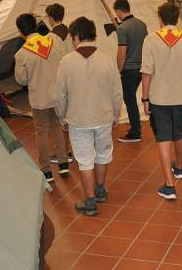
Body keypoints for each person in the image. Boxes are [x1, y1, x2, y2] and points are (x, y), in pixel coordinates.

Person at [54, 17, 122, 216]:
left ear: (75, 36)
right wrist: (116, 114)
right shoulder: (107, 60)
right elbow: (117, 92)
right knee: (103, 155)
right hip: (104, 117)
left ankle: (90, 201)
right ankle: (100, 189)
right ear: (93, 35)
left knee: (85, 160)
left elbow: (60, 95)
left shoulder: (66, 62)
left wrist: (62, 117)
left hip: (78, 119)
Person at [141, 2, 182, 200]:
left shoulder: (150, 40)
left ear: (160, 19)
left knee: (163, 138)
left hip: (159, 98)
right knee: (179, 132)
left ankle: (169, 185)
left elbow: (147, 73)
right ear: (177, 19)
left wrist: (145, 98)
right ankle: (180, 167)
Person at [14, 13, 69, 183]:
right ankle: (63, 163)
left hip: (39, 98)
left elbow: (21, 79)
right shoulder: (53, 42)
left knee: (41, 132)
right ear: (36, 25)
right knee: (57, 127)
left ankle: (46, 170)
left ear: (20, 31)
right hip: (56, 94)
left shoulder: (22, 53)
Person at [113, 0, 148, 143]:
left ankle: (135, 132)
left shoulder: (122, 28)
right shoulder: (142, 24)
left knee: (129, 99)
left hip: (128, 69)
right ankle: (136, 127)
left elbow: (122, 52)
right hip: (141, 68)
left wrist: (118, 70)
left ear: (118, 11)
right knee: (131, 98)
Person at [45, 3, 74, 162]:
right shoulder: (71, 34)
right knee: (68, 116)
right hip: (71, 78)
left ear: (50, 18)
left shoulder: (49, 38)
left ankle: (63, 152)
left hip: (56, 80)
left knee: (58, 119)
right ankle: (68, 150)